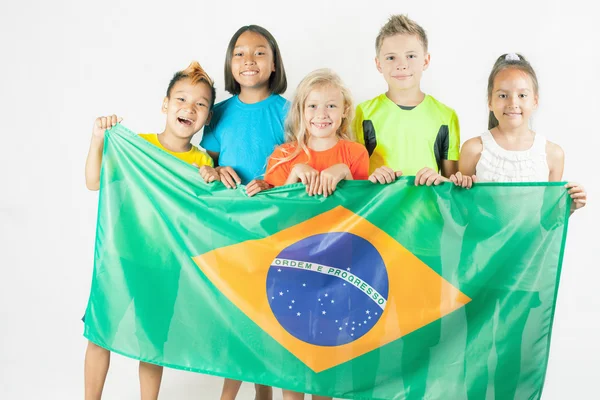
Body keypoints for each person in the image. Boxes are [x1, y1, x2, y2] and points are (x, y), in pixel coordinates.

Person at [451, 53, 587, 399]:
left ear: (535, 100)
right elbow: (458, 214)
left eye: (523, 95)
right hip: (482, 271)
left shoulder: (551, 154)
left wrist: (567, 207)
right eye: (503, 94)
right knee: (476, 352)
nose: (513, 103)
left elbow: (545, 222)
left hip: (527, 273)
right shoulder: (475, 148)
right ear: (490, 101)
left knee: (519, 354)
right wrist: (461, 189)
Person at [83, 61, 218, 400]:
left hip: (166, 264)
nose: (189, 108)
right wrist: (98, 139)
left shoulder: (203, 163)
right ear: (165, 105)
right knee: (101, 331)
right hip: (122, 256)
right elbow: (93, 181)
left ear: (208, 117)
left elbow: (204, 219)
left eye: (200, 104)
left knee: (152, 342)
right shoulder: (136, 146)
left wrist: (211, 182)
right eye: (181, 99)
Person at [257, 68, 368, 399]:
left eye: (331, 106)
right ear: (300, 111)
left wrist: (344, 171)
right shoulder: (283, 155)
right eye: (313, 106)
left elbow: (367, 213)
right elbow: (272, 218)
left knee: (326, 360)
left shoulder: (356, 154)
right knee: (292, 362)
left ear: (345, 110)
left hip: (338, 272)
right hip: (290, 269)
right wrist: (293, 175)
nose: (322, 115)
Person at [355, 14, 458, 187]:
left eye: (410, 56)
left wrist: (441, 180)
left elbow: (452, 186)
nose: (402, 65)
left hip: (427, 212)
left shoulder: (446, 116)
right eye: (391, 57)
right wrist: (372, 176)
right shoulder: (363, 112)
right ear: (378, 64)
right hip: (379, 213)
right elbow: (354, 179)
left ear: (425, 61)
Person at [201, 25, 290, 203]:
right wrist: (216, 172)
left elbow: (302, 168)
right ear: (230, 64)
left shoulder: (293, 113)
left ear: (274, 64)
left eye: (259, 53)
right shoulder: (216, 113)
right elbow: (211, 165)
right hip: (231, 214)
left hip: (277, 214)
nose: (248, 60)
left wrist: (272, 185)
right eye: (239, 54)